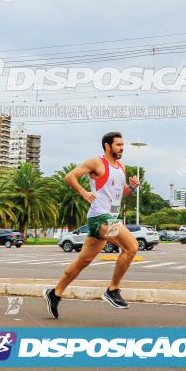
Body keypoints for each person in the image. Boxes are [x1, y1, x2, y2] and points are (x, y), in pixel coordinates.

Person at [43, 131, 140, 318]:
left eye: (122, 145)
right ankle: (112, 290)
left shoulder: (121, 167)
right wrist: (83, 192)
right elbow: (70, 176)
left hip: (109, 218)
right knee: (131, 247)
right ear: (107, 146)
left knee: (84, 261)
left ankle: (55, 293)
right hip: (100, 218)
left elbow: (121, 194)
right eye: (118, 145)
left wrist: (133, 188)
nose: (122, 148)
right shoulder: (97, 163)